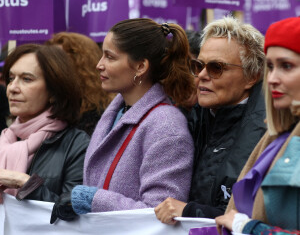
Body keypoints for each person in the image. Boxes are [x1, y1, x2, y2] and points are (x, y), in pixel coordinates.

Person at [51, 18, 195, 223]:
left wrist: (91, 199)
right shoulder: (116, 112)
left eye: (110, 57)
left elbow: (159, 214)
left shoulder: (167, 126)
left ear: (140, 66)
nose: (99, 65)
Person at [155, 16, 266, 223]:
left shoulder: (269, 134)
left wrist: (190, 212)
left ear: (252, 77)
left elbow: (260, 222)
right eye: (199, 66)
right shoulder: (189, 120)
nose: (202, 75)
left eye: (216, 68)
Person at [215, 17, 300, 235]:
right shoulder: (275, 136)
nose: (272, 78)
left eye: (286, 66)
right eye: (270, 67)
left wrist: (246, 228)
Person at [0, 44, 90, 203]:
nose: (12, 88)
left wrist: (25, 183)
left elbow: (73, 213)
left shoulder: (76, 145)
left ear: (54, 91)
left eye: (26, 79)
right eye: (11, 78)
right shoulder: (5, 138)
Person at [47, 32, 114, 136]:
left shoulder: (102, 117)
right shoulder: (44, 109)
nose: (51, 70)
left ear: (82, 68)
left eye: (59, 63)